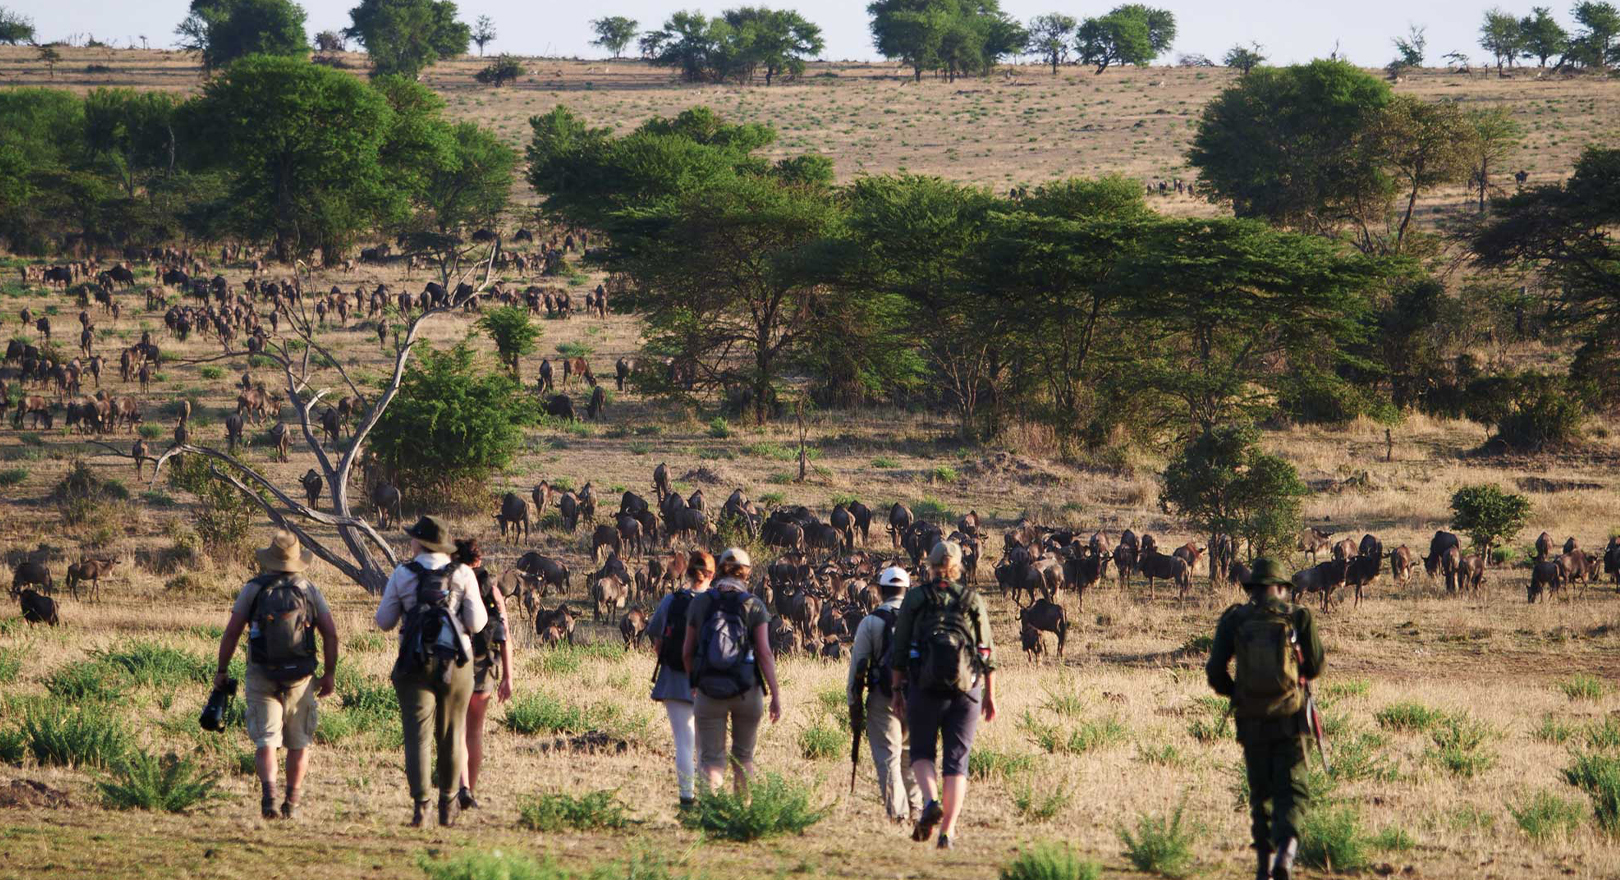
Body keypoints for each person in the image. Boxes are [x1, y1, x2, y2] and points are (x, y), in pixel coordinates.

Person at [1205, 557, 1326, 880]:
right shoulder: (1298, 617)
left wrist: (1239, 694)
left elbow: (1215, 672)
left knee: (1261, 792)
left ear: (1254, 589)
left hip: (1251, 720)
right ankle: (1285, 855)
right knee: (1293, 790)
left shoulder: (1235, 619)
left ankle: (1262, 865)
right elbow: (1314, 667)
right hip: (1292, 720)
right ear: (1283, 590)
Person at [213, 530, 339, 820]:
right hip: (301, 676)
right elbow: (330, 634)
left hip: (261, 672)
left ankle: (269, 797)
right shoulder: (308, 589)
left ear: (269, 559)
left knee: (266, 740)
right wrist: (329, 673)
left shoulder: (254, 588)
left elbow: (232, 632)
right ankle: (291, 802)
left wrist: (222, 670)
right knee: (299, 742)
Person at [375, 515, 487, 828]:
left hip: (414, 663)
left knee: (417, 737)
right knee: (452, 735)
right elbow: (477, 623)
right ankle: (447, 805)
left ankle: (420, 807)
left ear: (420, 542)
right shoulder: (463, 573)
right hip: (456, 664)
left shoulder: (402, 573)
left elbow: (383, 621)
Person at [890, 540, 996, 851]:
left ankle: (930, 800)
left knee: (922, 753)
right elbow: (986, 651)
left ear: (929, 565)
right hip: (967, 689)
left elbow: (899, 650)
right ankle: (947, 833)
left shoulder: (916, 598)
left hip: (924, 687)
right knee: (956, 763)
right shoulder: (971, 598)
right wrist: (990, 694)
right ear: (959, 567)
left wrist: (897, 690)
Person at [682, 547, 781, 795]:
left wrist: (694, 681)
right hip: (747, 689)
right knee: (744, 758)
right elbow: (765, 654)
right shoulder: (754, 605)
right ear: (746, 574)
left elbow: (687, 651)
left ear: (719, 569)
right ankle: (743, 816)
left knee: (711, 760)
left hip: (709, 689)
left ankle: (712, 816)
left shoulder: (701, 602)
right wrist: (776, 696)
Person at [847, 565, 922, 825]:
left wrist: (854, 704)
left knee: (889, 757)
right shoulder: (920, 619)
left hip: (883, 697)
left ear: (879, 591)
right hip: (916, 697)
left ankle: (898, 815)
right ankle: (917, 809)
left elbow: (859, 666)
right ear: (907, 590)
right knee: (912, 755)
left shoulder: (871, 622)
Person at [648, 549, 714, 808]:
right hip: (710, 683)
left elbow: (656, 639)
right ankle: (711, 801)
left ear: (686, 573)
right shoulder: (718, 603)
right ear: (712, 574)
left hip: (674, 680)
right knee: (707, 745)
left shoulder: (671, 601)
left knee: (684, 743)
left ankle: (687, 800)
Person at [453, 538, 512, 812]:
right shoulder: (491, 587)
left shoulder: (450, 582)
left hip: (455, 663)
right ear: (479, 560)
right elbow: (504, 635)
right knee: (474, 732)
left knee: (457, 730)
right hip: (484, 666)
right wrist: (507, 677)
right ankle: (470, 791)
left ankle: (461, 787)